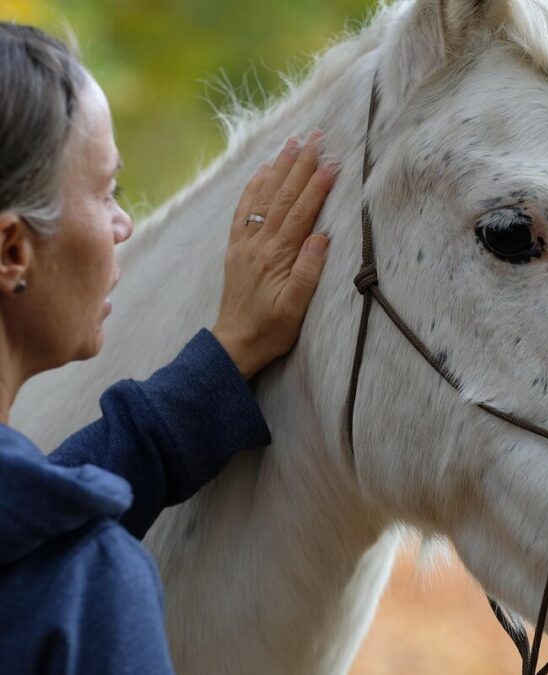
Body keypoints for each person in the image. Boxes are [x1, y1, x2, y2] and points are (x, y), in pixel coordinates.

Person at [0, 23, 336, 673]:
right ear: (13, 251)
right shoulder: (87, 592)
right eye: (107, 193)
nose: (123, 225)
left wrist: (221, 363)